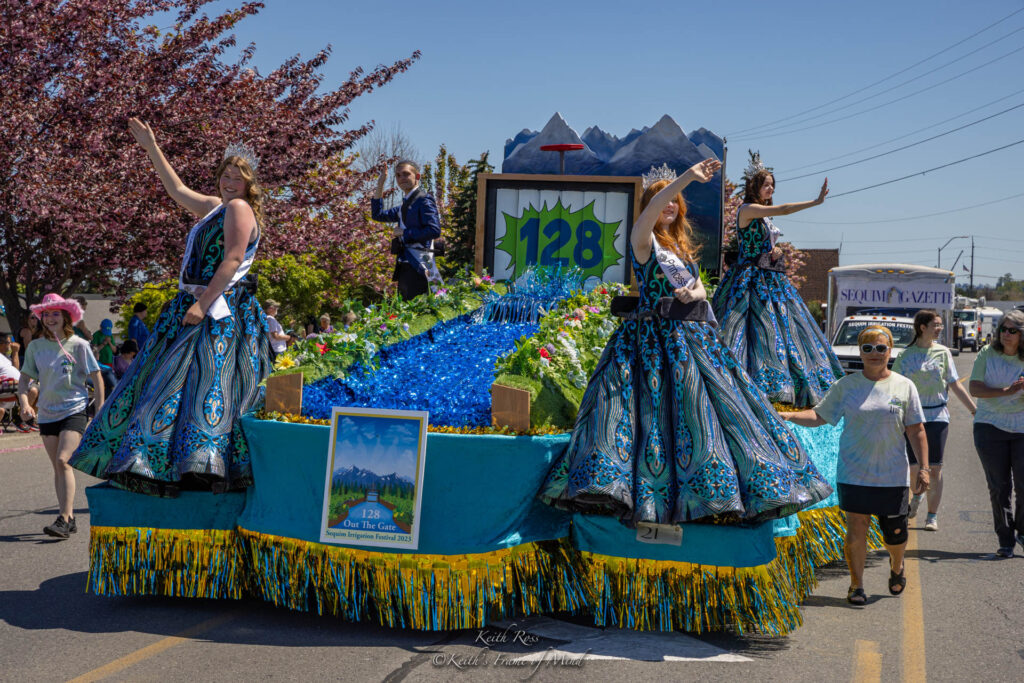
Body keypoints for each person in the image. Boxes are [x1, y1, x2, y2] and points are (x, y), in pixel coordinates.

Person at [541, 159, 832, 527]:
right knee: (651, 419)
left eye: (675, 201)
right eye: (663, 199)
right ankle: (650, 499)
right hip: (648, 343)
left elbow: (700, 287)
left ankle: (714, 492)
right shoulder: (642, 240)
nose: (669, 205)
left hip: (692, 340)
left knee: (709, 414)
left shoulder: (679, 247)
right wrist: (686, 179)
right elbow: (650, 210)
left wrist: (691, 288)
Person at [70, 118, 272, 497]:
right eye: (225, 175)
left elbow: (231, 261)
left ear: (249, 184)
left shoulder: (240, 209)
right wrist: (151, 147)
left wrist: (202, 304)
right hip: (197, 303)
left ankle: (198, 466)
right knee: (170, 383)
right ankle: (168, 462)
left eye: (237, 177)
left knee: (204, 385)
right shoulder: (217, 206)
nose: (229, 182)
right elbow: (176, 188)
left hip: (216, 309)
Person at [783, 325, 929, 606]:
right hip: (854, 472)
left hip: (892, 476)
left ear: (890, 351)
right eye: (868, 348)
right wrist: (787, 416)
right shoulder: (846, 386)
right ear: (860, 352)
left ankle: (897, 566)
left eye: (880, 348)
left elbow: (917, 430)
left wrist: (923, 467)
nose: (874, 354)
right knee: (857, 527)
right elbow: (819, 416)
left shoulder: (904, 385)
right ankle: (856, 585)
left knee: (895, 534)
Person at [712, 153, 843, 406]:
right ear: (754, 187)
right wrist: (816, 202)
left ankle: (791, 386)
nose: (770, 188)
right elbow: (783, 209)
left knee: (787, 327)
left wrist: (777, 249)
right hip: (749, 279)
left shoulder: (763, 217)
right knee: (753, 329)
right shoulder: (748, 209)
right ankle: (751, 386)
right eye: (766, 184)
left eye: (772, 185)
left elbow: (765, 240)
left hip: (770, 278)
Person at [17, 294, 104, 538]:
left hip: (74, 410)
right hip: (46, 413)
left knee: (64, 460)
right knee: (57, 466)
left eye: (56, 313)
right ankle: (70, 517)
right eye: (46, 314)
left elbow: (96, 377)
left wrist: (100, 411)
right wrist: (25, 404)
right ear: (41, 318)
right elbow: (24, 381)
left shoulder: (79, 344)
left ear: (66, 316)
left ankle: (63, 519)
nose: (50, 318)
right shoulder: (35, 347)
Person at [893, 309, 976, 531]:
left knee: (935, 468)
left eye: (940, 325)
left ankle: (932, 515)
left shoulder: (943, 353)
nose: (939, 328)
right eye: (935, 325)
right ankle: (917, 495)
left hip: (937, 416)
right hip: (911, 418)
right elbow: (895, 387)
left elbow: (955, 384)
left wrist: (974, 410)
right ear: (922, 327)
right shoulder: (905, 355)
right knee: (914, 468)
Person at [967, 309, 1024, 558]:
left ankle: (1022, 530)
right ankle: (1005, 538)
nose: (1006, 334)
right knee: (999, 486)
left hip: (1022, 429)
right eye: (1003, 329)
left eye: (1013, 330)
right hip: (990, 428)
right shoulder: (987, 354)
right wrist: (1007, 390)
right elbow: (975, 388)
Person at [372, 160, 442, 299]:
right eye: (398, 175)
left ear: (417, 177)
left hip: (419, 264)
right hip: (404, 263)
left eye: (406, 174)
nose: (401, 178)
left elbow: (434, 230)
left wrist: (405, 233)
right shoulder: (403, 206)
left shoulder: (424, 200)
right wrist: (381, 183)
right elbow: (377, 215)